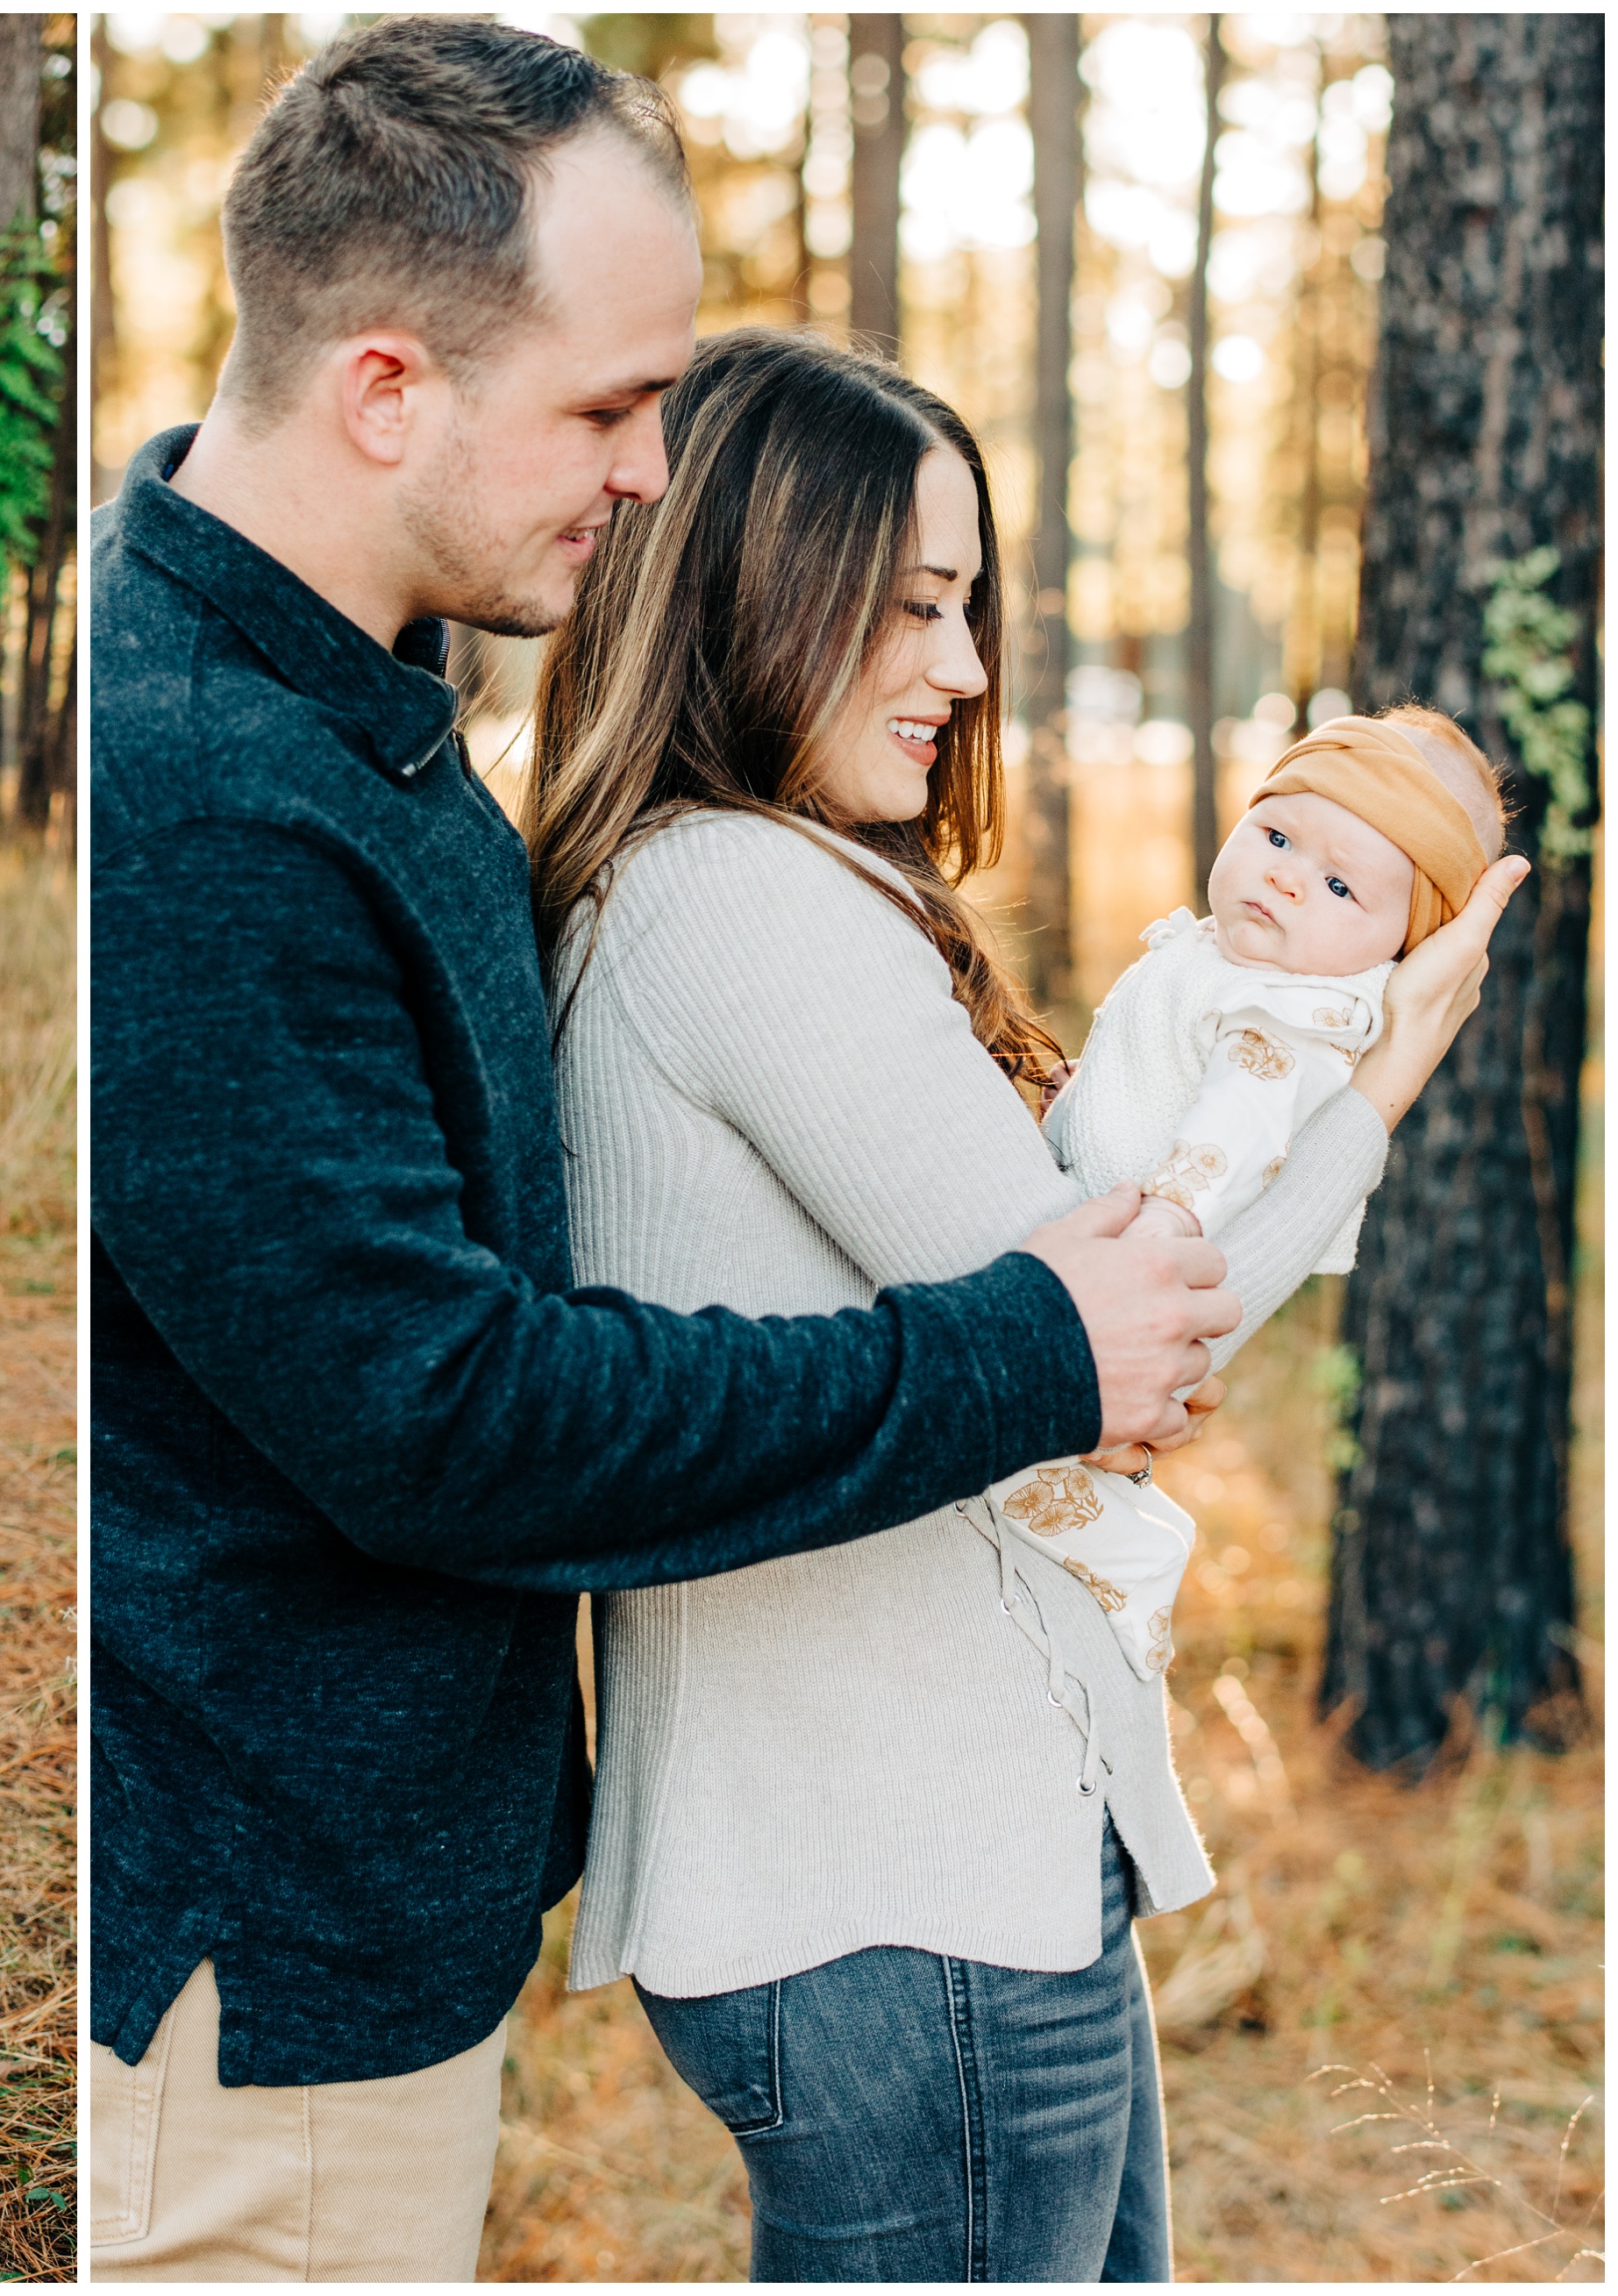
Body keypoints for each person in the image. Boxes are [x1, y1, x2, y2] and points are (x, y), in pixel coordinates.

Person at [90, 19, 1251, 2282]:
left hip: (375, 1909)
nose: (651, 473)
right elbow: (447, 1417)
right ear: (391, 389)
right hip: (260, 1952)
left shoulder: (371, 722)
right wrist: (1026, 1350)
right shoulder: (210, 791)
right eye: (613, 406)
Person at [524, 326, 1522, 2279]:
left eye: (965, 607)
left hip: (937, 1864)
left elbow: (1087, 1317)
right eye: (909, 609)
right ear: (748, 582)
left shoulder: (749, 881)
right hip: (895, 1884)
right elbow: (1124, 1337)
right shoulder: (734, 901)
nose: (964, 671)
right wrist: (1382, 1066)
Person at [992, 708, 1505, 1677]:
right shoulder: (1228, 958)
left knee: (1063, 1486)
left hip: (1131, 1272)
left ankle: (1121, 1609)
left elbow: (1230, 1134)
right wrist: (1084, 1096)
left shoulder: (1295, 1012)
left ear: (1398, 944)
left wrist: (1161, 1223)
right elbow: (1156, 1068)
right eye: (1274, 835)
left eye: (1339, 883)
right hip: (1086, 1254)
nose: (1283, 875)